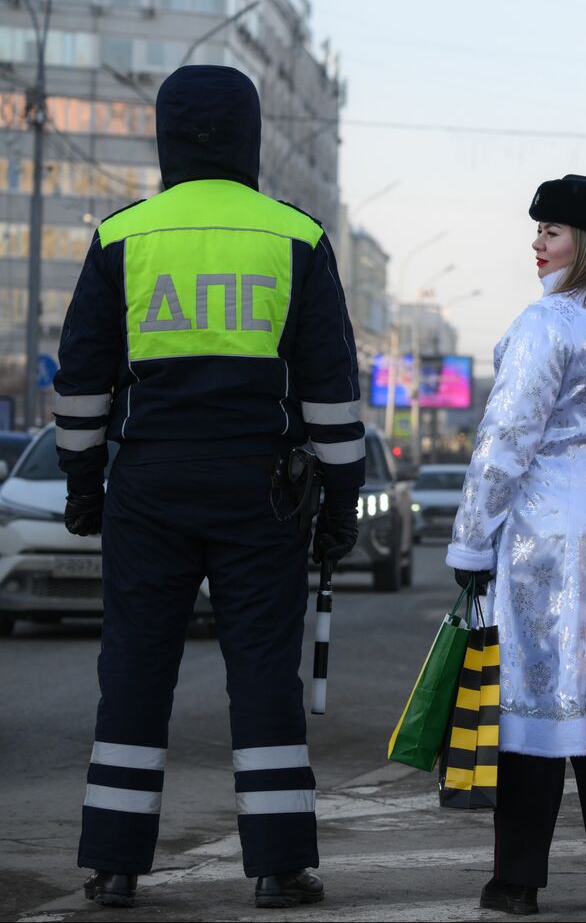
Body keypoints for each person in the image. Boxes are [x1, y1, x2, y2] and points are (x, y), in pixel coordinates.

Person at [53, 66, 364, 909]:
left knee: (135, 670)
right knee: (263, 673)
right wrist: (341, 505)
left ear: (163, 138)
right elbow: (330, 391)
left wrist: (85, 483)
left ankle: (113, 864)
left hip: (148, 486)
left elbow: (82, 379)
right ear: (251, 138)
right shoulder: (294, 236)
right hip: (258, 490)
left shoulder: (123, 235)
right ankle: (278, 865)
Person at [446, 175, 586, 916]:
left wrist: (472, 540)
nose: (537, 243)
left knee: (535, 700)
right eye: (537, 230)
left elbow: (505, 443)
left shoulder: (544, 327)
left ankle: (516, 881)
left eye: (552, 231)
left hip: (549, 532)